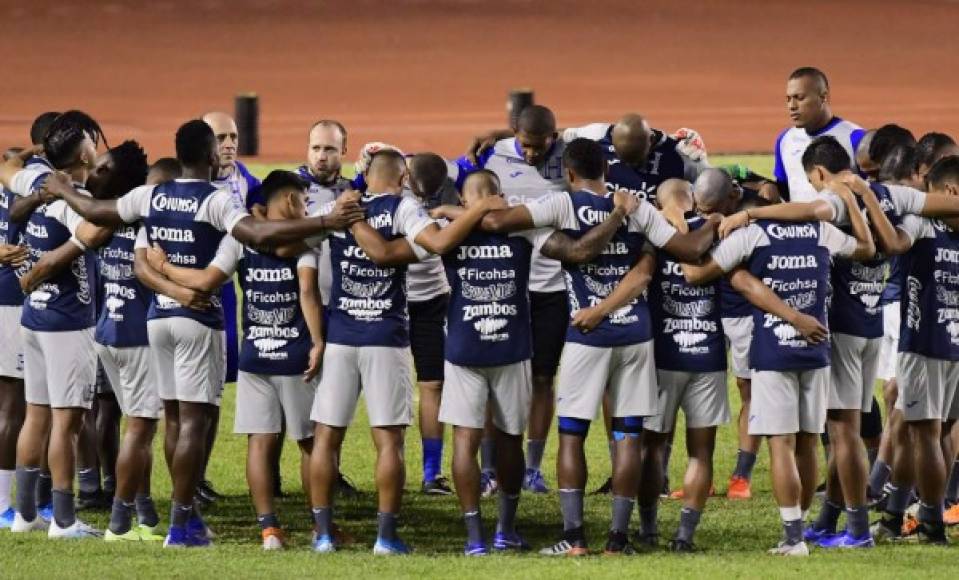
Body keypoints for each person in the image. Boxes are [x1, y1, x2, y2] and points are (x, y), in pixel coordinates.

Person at [40, 119, 365, 547]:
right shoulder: (215, 201)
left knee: (173, 420)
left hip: (157, 319)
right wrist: (324, 222)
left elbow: (100, 212)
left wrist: (62, 190)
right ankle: (180, 525)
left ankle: (186, 516)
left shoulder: (150, 195)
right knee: (194, 422)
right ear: (212, 157)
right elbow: (258, 233)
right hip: (198, 321)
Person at [473, 138, 720, 555]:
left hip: (586, 334)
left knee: (571, 436)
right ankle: (618, 539)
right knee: (627, 437)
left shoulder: (561, 204)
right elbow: (692, 250)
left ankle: (573, 538)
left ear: (569, 173)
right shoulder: (638, 207)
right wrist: (717, 220)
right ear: (606, 170)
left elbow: (497, 223)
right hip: (636, 336)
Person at [307, 149, 508, 555]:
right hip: (386, 336)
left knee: (326, 438)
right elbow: (438, 242)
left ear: (366, 175)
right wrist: (478, 207)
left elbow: (298, 235)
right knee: (389, 441)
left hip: (343, 336)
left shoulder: (340, 208)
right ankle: (385, 537)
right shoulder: (403, 208)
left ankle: (324, 535)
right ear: (401, 179)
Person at [683, 161, 875, 555]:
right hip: (817, 349)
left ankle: (792, 537)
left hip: (772, 351)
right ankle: (801, 528)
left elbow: (695, 274)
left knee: (781, 444)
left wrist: (719, 257)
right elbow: (868, 248)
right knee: (808, 441)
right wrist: (853, 203)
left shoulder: (750, 234)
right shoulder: (821, 231)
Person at [146, 170, 324, 550]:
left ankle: (268, 529)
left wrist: (163, 268)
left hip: (254, 355)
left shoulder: (238, 243)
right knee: (309, 443)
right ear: (291, 202)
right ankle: (319, 528)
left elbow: (205, 279)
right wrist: (318, 340)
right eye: (304, 202)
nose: (307, 208)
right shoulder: (305, 243)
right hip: (294, 356)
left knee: (259, 442)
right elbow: (307, 291)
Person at [1, 111, 111, 538]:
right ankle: (63, 520)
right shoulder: (70, 196)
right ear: (82, 153)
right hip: (67, 324)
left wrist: (38, 154)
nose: (95, 144)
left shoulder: (32, 179)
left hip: (34, 316)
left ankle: (26, 516)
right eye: (90, 141)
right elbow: (96, 229)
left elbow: (7, 165)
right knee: (66, 424)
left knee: (36, 416)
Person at [454, 105, 567, 493]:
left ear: (553, 137)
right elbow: (454, 186)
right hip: (500, 288)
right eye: (525, 144)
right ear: (514, 135)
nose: (533, 153)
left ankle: (532, 468)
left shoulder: (567, 151)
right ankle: (487, 469)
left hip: (550, 288)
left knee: (542, 379)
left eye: (540, 145)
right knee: (490, 376)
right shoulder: (492, 154)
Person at [869, 156, 959, 544]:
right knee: (910, 427)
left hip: (924, 346)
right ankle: (892, 518)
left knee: (927, 436)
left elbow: (891, 243)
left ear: (948, 193)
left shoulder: (923, 223)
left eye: (932, 195)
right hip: (954, 346)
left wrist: (867, 198)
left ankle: (931, 525)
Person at [199, 111, 261, 504]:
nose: (229, 144)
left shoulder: (244, 179)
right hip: (187, 293)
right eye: (220, 137)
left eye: (233, 137)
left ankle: (199, 478)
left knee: (214, 391)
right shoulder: (187, 182)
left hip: (226, 295)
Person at [0, 113, 58, 528]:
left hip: (13, 299)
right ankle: (7, 505)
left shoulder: (13, 174)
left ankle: (28, 502)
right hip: (14, 300)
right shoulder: (38, 183)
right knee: (17, 407)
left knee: (29, 406)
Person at [767, 67, 864, 202]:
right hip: (799, 223)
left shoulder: (855, 138)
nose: (792, 106)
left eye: (799, 98)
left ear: (823, 97)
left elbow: (875, 194)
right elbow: (784, 191)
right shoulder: (785, 140)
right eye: (788, 99)